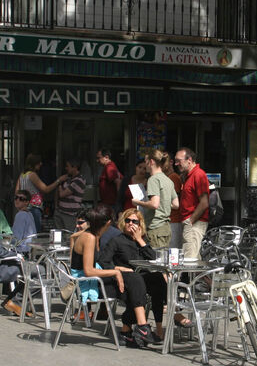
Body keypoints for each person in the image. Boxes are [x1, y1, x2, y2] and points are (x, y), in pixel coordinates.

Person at [98, 208, 193, 342]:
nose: (131, 224)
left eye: (134, 221)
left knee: (158, 279)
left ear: (140, 224)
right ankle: (140, 327)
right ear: (123, 223)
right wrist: (118, 269)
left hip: (140, 277)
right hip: (124, 278)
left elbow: (154, 258)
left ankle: (169, 318)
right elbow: (103, 261)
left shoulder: (141, 241)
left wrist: (139, 240)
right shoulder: (116, 241)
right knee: (137, 283)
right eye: (128, 220)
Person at [71, 205, 156, 347]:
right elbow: (88, 271)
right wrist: (116, 272)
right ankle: (140, 327)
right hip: (88, 284)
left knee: (135, 283)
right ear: (109, 223)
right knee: (134, 282)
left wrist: (118, 269)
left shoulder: (92, 235)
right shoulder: (90, 237)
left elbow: (76, 240)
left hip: (94, 281)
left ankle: (128, 332)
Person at [132, 149, 179, 248]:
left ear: (151, 162)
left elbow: (154, 204)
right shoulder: (167, 179)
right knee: (162, 260)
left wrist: (138, 202)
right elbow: (176, 204)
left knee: (155, 261)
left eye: (146, 161)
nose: (145, 165)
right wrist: (163, 203)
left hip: (155, 227)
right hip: (165, 228)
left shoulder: (153, 179)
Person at [174, 147, 210, 259]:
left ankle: (192, 277)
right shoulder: (189, 175)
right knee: (194, 259)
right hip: (190, 222)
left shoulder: (198, 174)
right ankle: (202, 277)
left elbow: (204, 203)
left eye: (179, 161)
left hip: (194, 223)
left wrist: (190, 221)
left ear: (189, 160)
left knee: (189, 260)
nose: (176, 164)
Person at [16, 153, 58, 232]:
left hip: (25, 207)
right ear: (34, 164)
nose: (41, 164)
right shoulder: (32, 175)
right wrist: (58, 181)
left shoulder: (22, 175)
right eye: (39, 162)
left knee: (26, 231)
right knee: (35, 232)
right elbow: (45, 189)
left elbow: (17, 192)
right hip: (34, 207)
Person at [53, 157, 86, 231]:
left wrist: (60, 182)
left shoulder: (79, 180)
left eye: (68, 166)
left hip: (70, 214)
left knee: (68, 237)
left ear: (75, 167)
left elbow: (62, 194)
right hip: (60, 211)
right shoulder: (67, 178)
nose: (66, 168)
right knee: (58, 236)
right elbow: (57, 193)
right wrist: (56, 207)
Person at [163, 152, 183, 248]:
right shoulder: (167, 177)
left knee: (173, 252)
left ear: (171, 162)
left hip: (173, 220)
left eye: (164, 161)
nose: (161, 164)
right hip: (169, 220)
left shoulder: (173, 177)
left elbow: (175, 203)